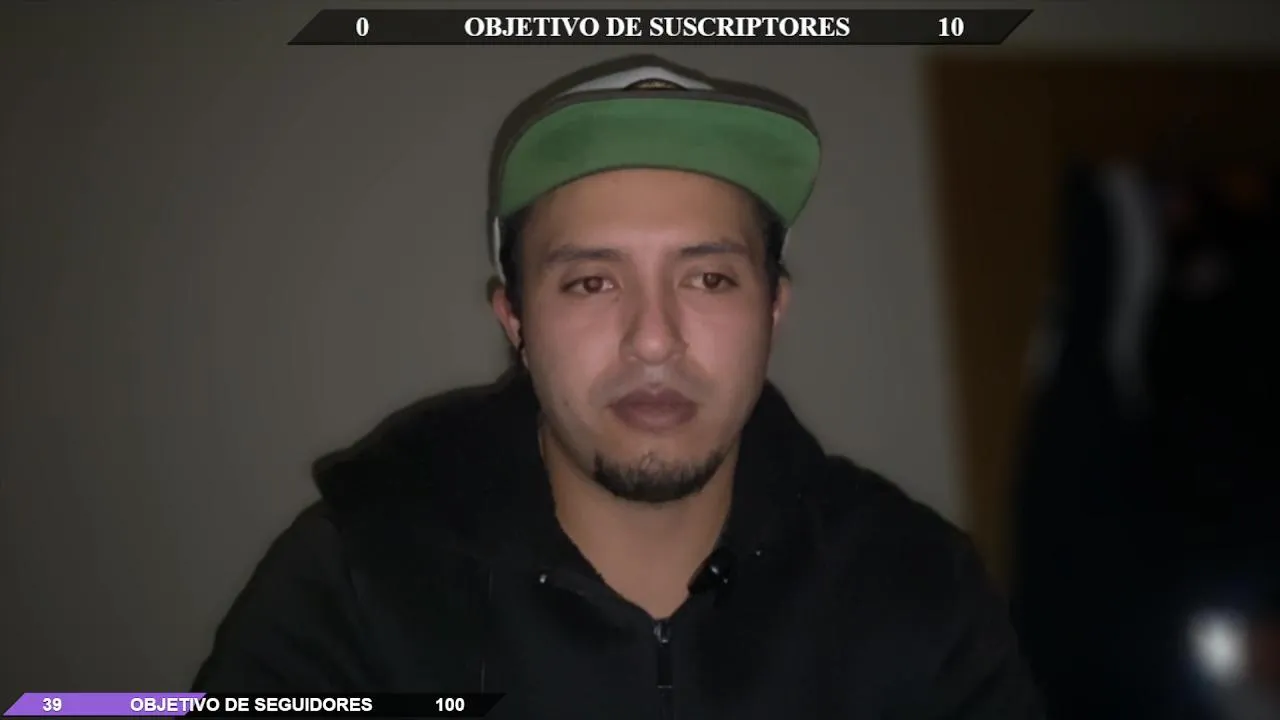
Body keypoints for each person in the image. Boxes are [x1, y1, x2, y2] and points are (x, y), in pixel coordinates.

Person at [193, 55, 1044, 719]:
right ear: (515, 321)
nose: (654, 339)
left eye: (709, 279)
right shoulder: (357, 579)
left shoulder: (916, 584)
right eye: (591, 282)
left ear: (773, 310)